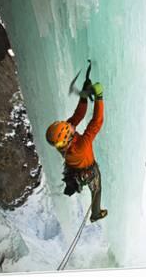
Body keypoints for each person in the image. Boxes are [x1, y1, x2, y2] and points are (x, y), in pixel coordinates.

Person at [45, 81, 108, 223]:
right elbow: (96, 122)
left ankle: (72, 185)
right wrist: (99, 97)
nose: (71, 126)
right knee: (97, 189)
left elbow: (78, 114)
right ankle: (95, 214)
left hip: (73, 169)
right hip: (88, 171)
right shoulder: (80, 146)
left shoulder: (63, 142)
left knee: (88, 183)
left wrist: (84, 97)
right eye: (69, 128)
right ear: (68, 136)